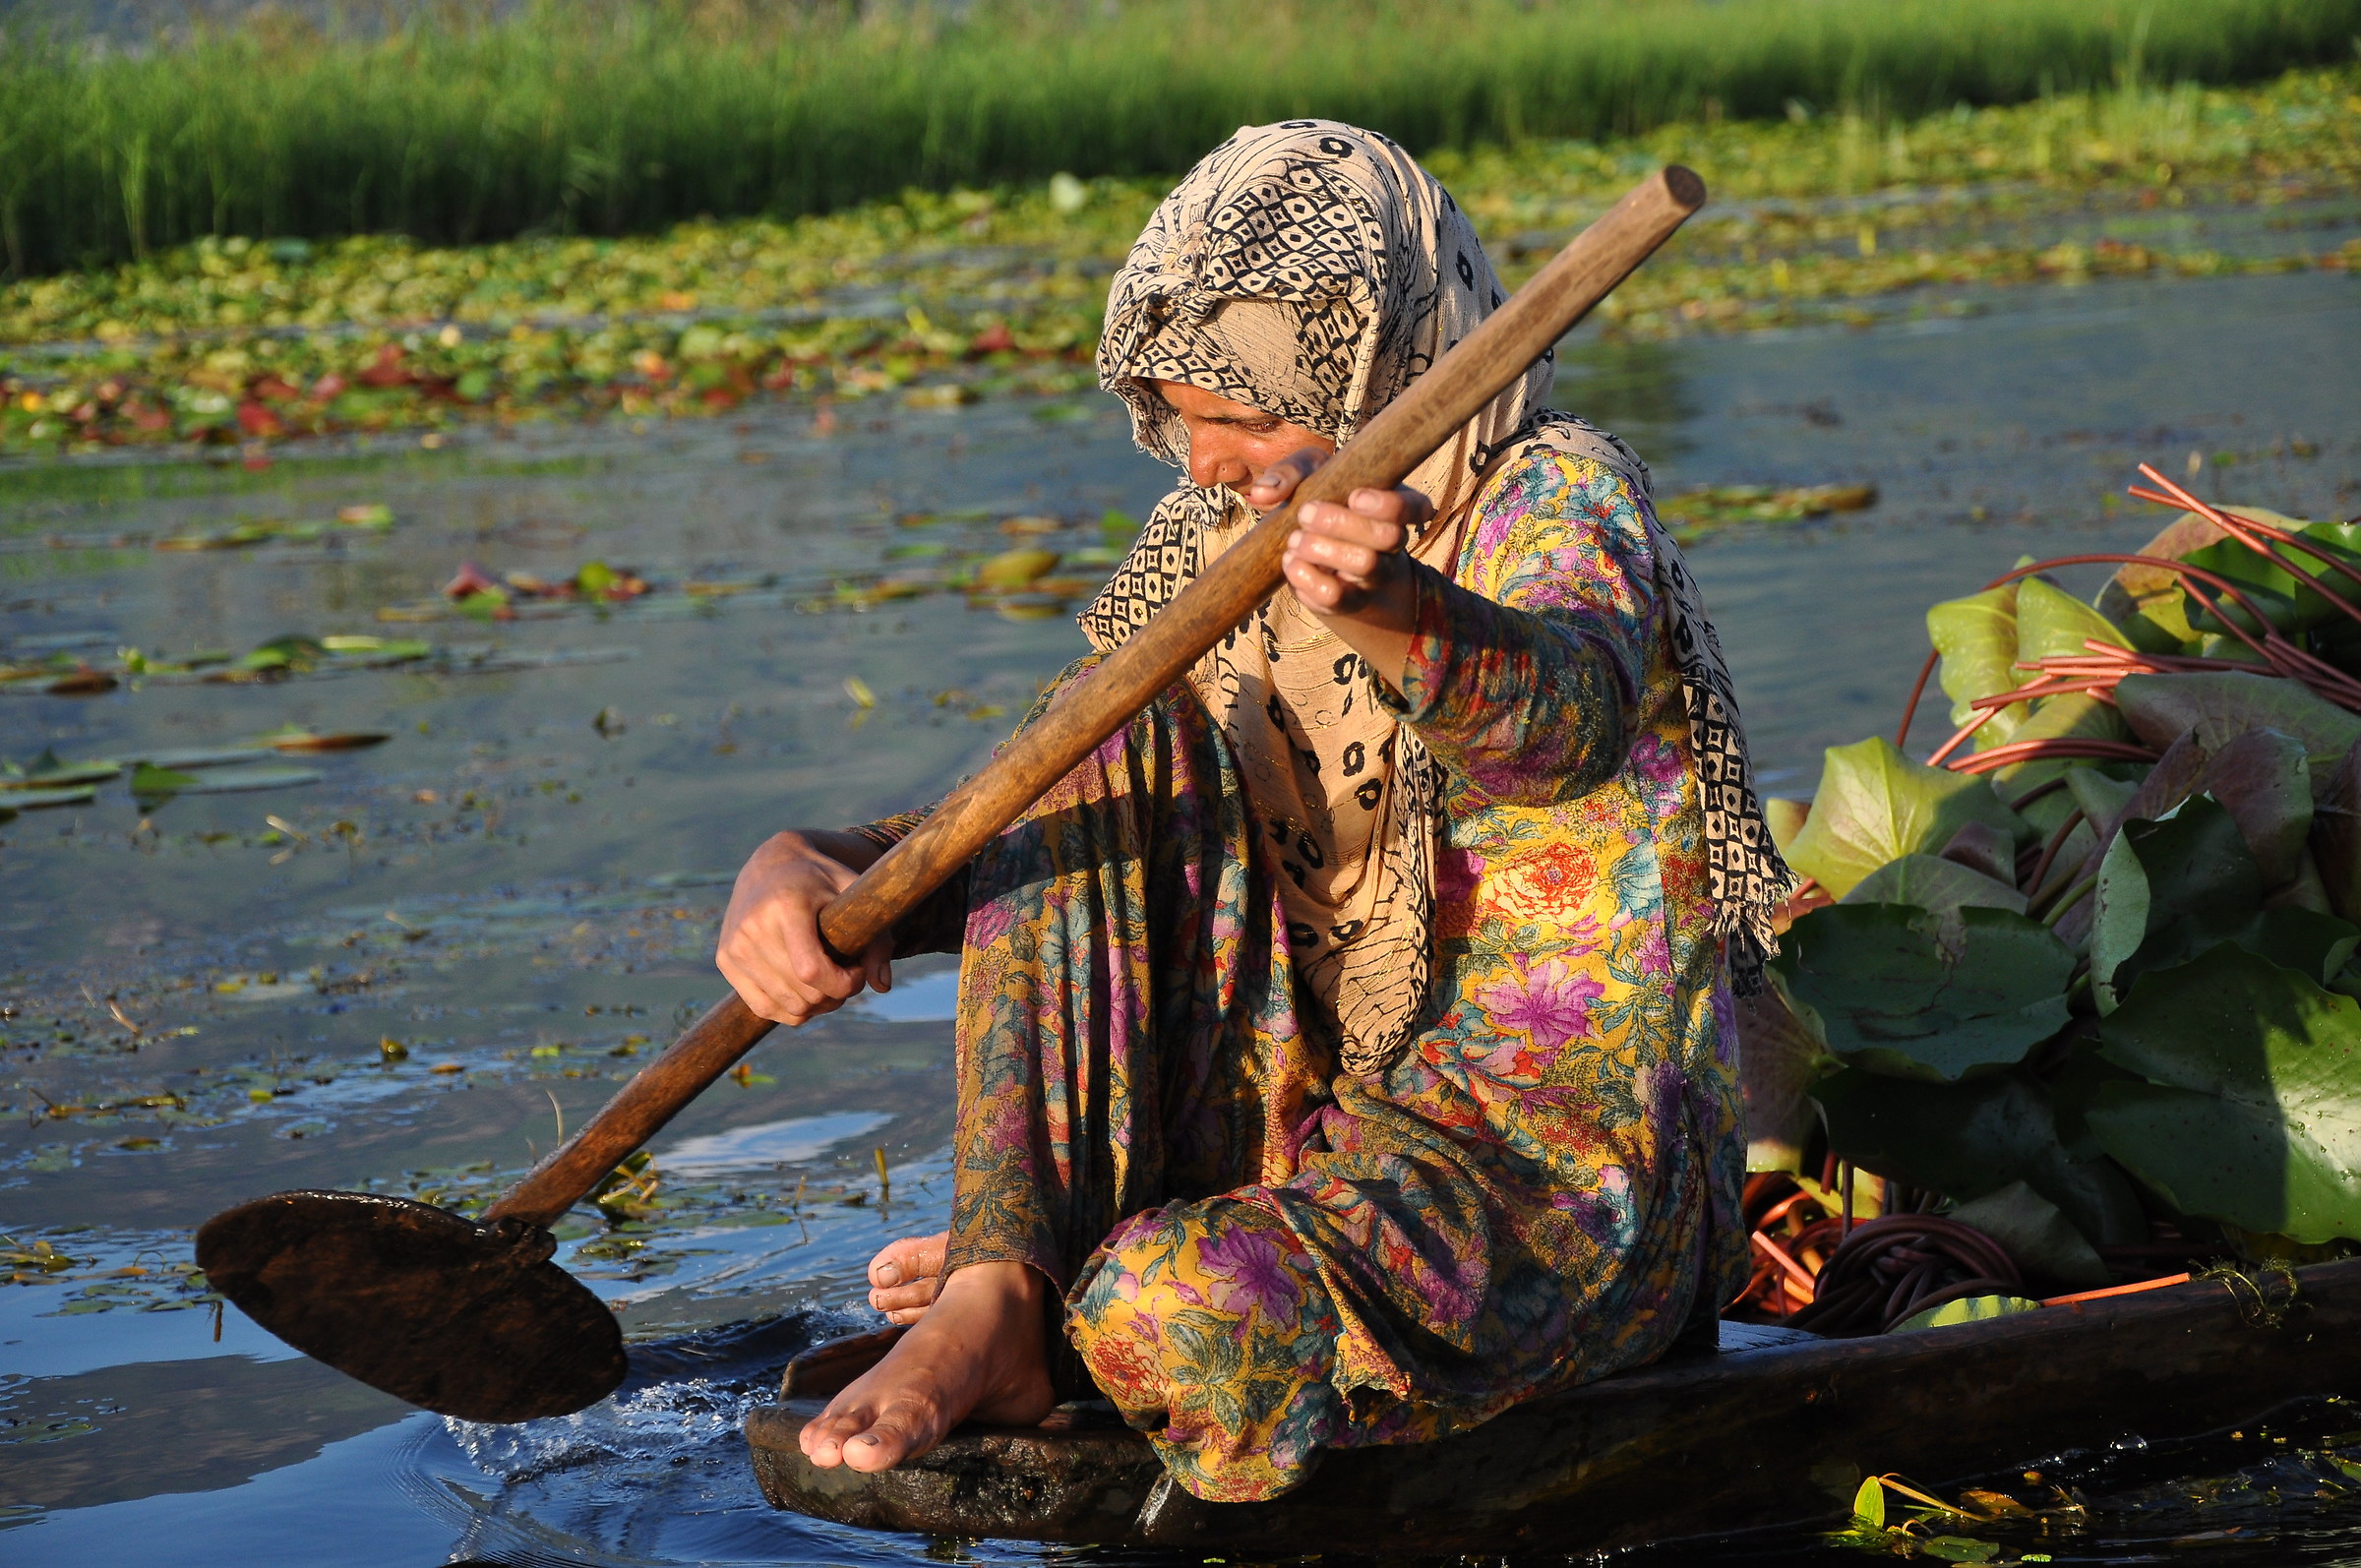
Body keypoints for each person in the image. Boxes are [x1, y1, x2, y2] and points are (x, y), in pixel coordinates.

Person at [715, 120, 1792, 1504]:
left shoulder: (1552, 492)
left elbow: (1566, 719)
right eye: (1184, 419)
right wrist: (819, 865)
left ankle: (1069, 1297)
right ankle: (1004, 1293)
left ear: (1377, 375)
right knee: (1096, 745)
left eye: (1247, 418)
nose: (1206, 459)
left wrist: (1399, 612)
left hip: (1549, 1187)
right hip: (1311, 1133)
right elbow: (1030, 821)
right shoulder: (1203, 543)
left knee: (1167, 1302)